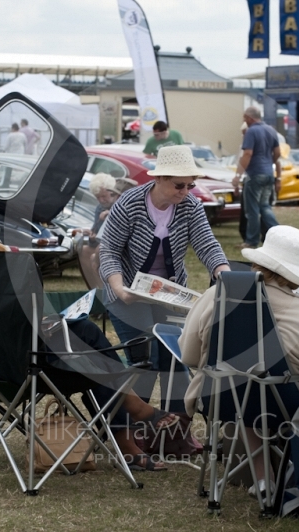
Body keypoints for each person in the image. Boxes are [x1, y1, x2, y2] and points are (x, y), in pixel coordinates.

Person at [0, 220, 181, 472]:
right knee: (85, 337)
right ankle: (129, 426)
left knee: (82, 336)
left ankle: (128, 424)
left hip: (23, 358)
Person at [180, 225, 299, 497]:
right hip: (288, 404)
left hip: (219, 398)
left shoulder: (216, 295)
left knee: (246, 387)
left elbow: (188, 356)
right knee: (270, 387)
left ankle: (263, 479)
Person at [99, 145, 231, 413]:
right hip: (126, 291)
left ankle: (177, 425)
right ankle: (133, 428)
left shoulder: (191, 206)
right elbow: (109, 250)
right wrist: (120, 289)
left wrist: (224, 273)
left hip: (168, 294)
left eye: (190, 186)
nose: (185, 192)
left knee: (175, 358)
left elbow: (207, 244)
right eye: (179, 185)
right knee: (143, 361)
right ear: (158, 179)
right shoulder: (129, 203)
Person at [233, 106, 281, 248]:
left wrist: (238, 175)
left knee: (252, 209)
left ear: (250, 117)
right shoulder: (271, 130)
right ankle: (279, 236)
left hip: (255, 174)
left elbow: (247, 154)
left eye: (245, 118)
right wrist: (269, 162)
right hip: (268, 174)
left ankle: (251, 241)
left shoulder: (252, 131)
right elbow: (277, 152)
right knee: (265, 207)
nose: (244, 121)